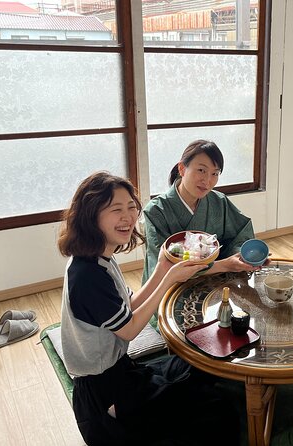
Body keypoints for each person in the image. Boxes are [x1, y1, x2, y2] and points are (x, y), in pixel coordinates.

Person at [57, 171, 239, 445]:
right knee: (215, 411)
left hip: (121, 371)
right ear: (91, 214)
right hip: (102, 394)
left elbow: (130, 304)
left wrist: (163, 267)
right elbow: (128, 329)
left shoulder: (100, 258)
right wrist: (169, 279)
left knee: (196, 362)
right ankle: (126, 416)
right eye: (116, 209)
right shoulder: (87, 275)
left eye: (131, 207)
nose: (128, 217)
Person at [142, 139, 258, 283]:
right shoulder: (156, 210)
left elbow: (241, 235)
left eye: (215, 174)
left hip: (215, 281)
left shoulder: (219, 201)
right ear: (182, 169)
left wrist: (242, 255)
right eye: (201, 170)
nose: (207, 180)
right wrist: (223, 265)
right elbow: (163, 267)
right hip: (170, 288)